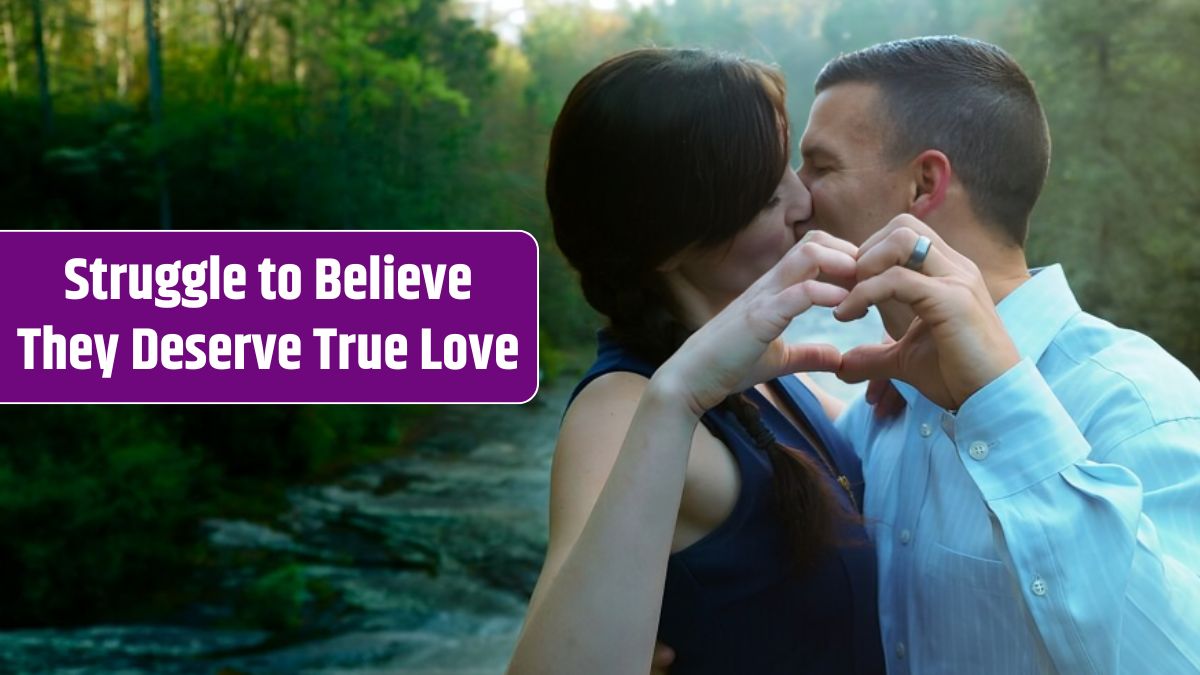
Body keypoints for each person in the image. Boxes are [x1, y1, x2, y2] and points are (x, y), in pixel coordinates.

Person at [800, 36, 1200, 674]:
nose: (795, 201)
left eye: (820, 167)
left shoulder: (1142, 404)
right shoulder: (882, 411)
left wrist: (1002, 405)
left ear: (923, 184)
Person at [506, 48, 885, 675]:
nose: (802, 201)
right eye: (767, 197)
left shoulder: (769, 380)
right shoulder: (624, 409)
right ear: (668, 242)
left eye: (789, 169)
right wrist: (676, 398)